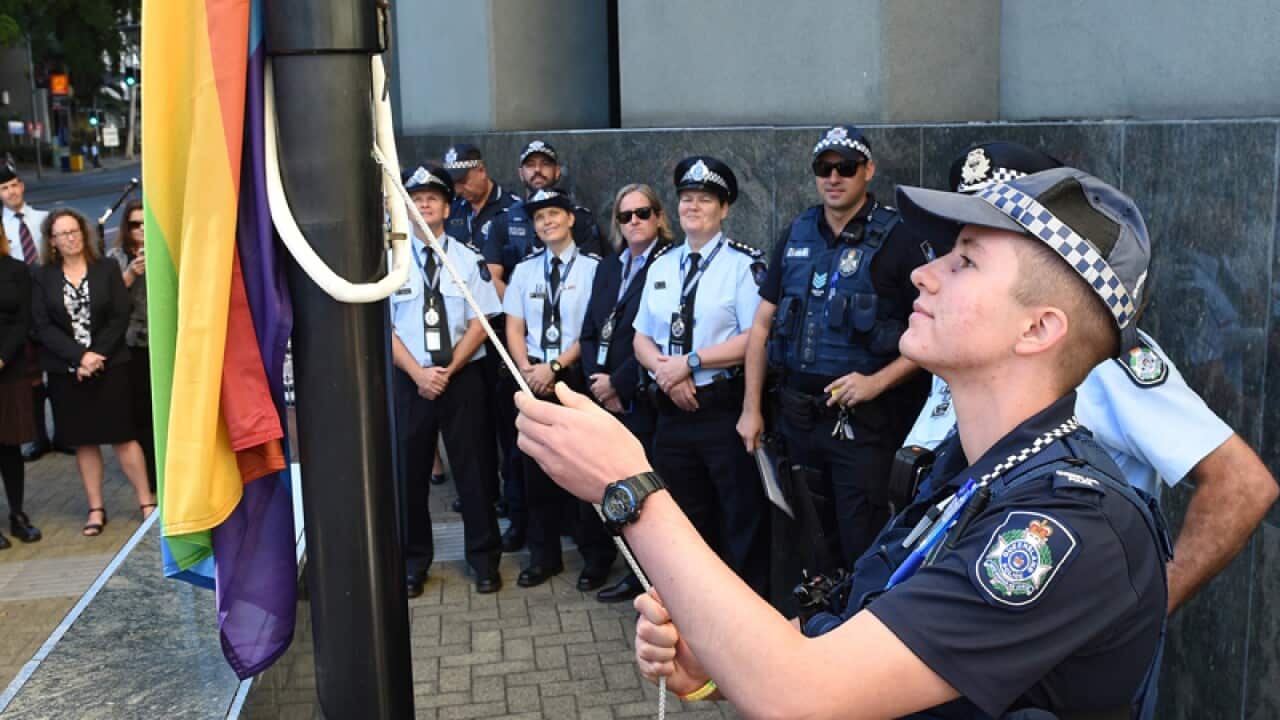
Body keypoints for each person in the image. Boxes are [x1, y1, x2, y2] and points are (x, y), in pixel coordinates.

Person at [516, 167, 1174, 718]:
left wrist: (633, 490)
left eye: (966, 260)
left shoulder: (1068, 525)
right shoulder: (966, 469)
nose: (925, 274)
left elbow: (802, 694)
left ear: (1039, 329)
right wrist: (720, 659)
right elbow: (846, 643)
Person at [904, 141, 1279, 616]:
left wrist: (1134, 617)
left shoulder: (1100, 362)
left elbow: (1242, 484)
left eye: (978, 252)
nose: (933, 272)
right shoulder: (965, 342)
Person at [738, 125, 930, 578]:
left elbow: (933, 334)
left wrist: (875, 383)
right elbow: (762, 326)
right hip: (796, 419)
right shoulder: (797, 232)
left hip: (862, 427)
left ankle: (860, 633)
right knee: (807, 537)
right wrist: (751, 410)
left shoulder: (899, 239)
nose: (834, 177)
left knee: (860, 536)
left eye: (846, 167)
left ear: (869, 170)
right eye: (824, 169)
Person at [632, 156, 770, 596]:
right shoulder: (661, 265)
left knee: (739, 517)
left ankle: (746, 613)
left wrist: (690, 362)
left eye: (705, 200)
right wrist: (666, 373)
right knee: (683, 517)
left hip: (720, 412)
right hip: (671, 413)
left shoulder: (743, 267)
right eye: (687, 199)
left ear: (724, 209)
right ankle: (693, 606)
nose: (693, 207)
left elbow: (754, 339)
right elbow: (640, 338)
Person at [389, 164, 504, 597]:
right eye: (416, 198)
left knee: (474, 472)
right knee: (410, 475)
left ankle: (484, 560)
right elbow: (386, 329)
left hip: (462, 378)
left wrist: (448, 370)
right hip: (410, 380)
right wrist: (419, 374)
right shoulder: (390, 262)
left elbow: (480, 320)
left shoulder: (468, 257)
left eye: (432, 198)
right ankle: (413, 563)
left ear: (447, 206)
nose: (424, 204)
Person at [502, 188, 612, 589]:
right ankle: (543, 557)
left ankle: (595, 558)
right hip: (531, 377)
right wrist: (527, 368)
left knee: (584, 470)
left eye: (553, 214)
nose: (546, 222)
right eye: (538, 218)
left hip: (574, 377)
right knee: (536, 472)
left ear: (570, 219)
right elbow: (514, 325)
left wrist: (555, 366)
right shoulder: (525, 270)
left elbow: (594, 330)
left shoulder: (595, 269)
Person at [578, 183, 674, 603]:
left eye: (642, 213)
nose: (633, 222)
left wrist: (619, 383)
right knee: (600, 482)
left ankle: (643, 579)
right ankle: (601, 560)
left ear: (658, 216)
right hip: (603, 394)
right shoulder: (609, 267)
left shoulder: (669, 263)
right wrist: (597, 382)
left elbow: (658, 337)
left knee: (640, 492)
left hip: (640, 396)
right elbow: (588, 330)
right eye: (624, 215)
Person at [32, 209, 155, 536]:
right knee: (85, 442)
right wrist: (79, 357)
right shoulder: (42, 276)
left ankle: (146, 503)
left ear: (84, 234)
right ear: (52, 241)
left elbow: (119, 314)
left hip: (110, 366)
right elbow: (42, 325)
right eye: (62, 234)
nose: (70, 238)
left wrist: (97, 354)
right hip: (67, 373)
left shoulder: (106, 268)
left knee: (124, 437)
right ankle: (96, 508)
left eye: (75, 231)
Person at [441, 144, 525, 531]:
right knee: (476, 425)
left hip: (502, 330)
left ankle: (511, 494)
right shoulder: (453, 211)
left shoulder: (512, 209)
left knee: (506, 419)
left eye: (463, 181)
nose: (459, 190)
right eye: (453, 184)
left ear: (481, 171)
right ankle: (481, 490)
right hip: (461, 332)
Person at [483, 139, 609, 298]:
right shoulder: (503, 220)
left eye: (545, 164)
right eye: (530, 165)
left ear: (557, 171)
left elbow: (593, 274)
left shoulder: (580, 219)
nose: (537, 170)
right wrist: (521, 309)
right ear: (521, 174)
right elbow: (490, 278)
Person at [0, 165, 58, 462]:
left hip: (49, 303)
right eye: (3, 189)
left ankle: (64, 434)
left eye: (13, 185)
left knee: (59, 372)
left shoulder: (43, 219)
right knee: (32, 377)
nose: (10, 192)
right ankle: (39, 437)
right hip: (21, 310)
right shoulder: (1, 227)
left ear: (22, 186)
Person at [107, 200, 157, 490]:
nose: (139, 230)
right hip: (130, 344)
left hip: (161, 341)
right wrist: (131, 274)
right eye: (134, 224)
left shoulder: (162, 249)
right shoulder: (115, 258)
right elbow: (107, 302)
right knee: (139, 409)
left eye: (144, 223)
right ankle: (147, 473)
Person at [0, 225, 41, 547]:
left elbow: (24, 319)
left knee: (10, 446)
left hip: (8, 368)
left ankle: (17, 514)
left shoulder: (15, 270)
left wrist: (2, 356)